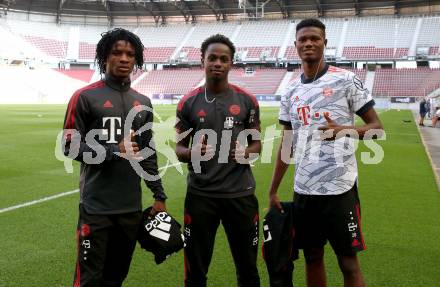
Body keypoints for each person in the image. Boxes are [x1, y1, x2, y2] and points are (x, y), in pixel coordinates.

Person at [268, 18, 383, 287]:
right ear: (295, 45)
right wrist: (273, 189)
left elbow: (377, 128)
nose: (308, 43)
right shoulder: (290, 91)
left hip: (339, 190)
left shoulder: (346, 80)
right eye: (303, 40)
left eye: (314, 38)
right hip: (305, 192)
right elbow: (287, 145)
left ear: (324, 43)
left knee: (348, 262)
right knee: (312, 257)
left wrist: (345, 130)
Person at [62, 28, 167, 286]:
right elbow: (69, 147)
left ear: (137, 59)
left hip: (130, 209)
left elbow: (147, 153)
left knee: (116, 277)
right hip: (96, 208)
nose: (124, 58)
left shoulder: (142, 102)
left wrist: (159, 195)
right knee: (89, 279)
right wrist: (113, 152)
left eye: (130, 54)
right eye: (117, 52)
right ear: (104, 57)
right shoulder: (84, 97)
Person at [175, 34, 261, 287]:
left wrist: (247, 153)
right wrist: (193, 153)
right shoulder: (188, 102)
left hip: (240, 195)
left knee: (248, 269)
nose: (218, 63)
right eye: (212, 58)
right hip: (201, 196)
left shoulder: (247, 101)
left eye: (224, 59)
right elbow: (179, 149)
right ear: (202, 60)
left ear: (231, 63)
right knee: (195, 271)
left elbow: (257, 145)